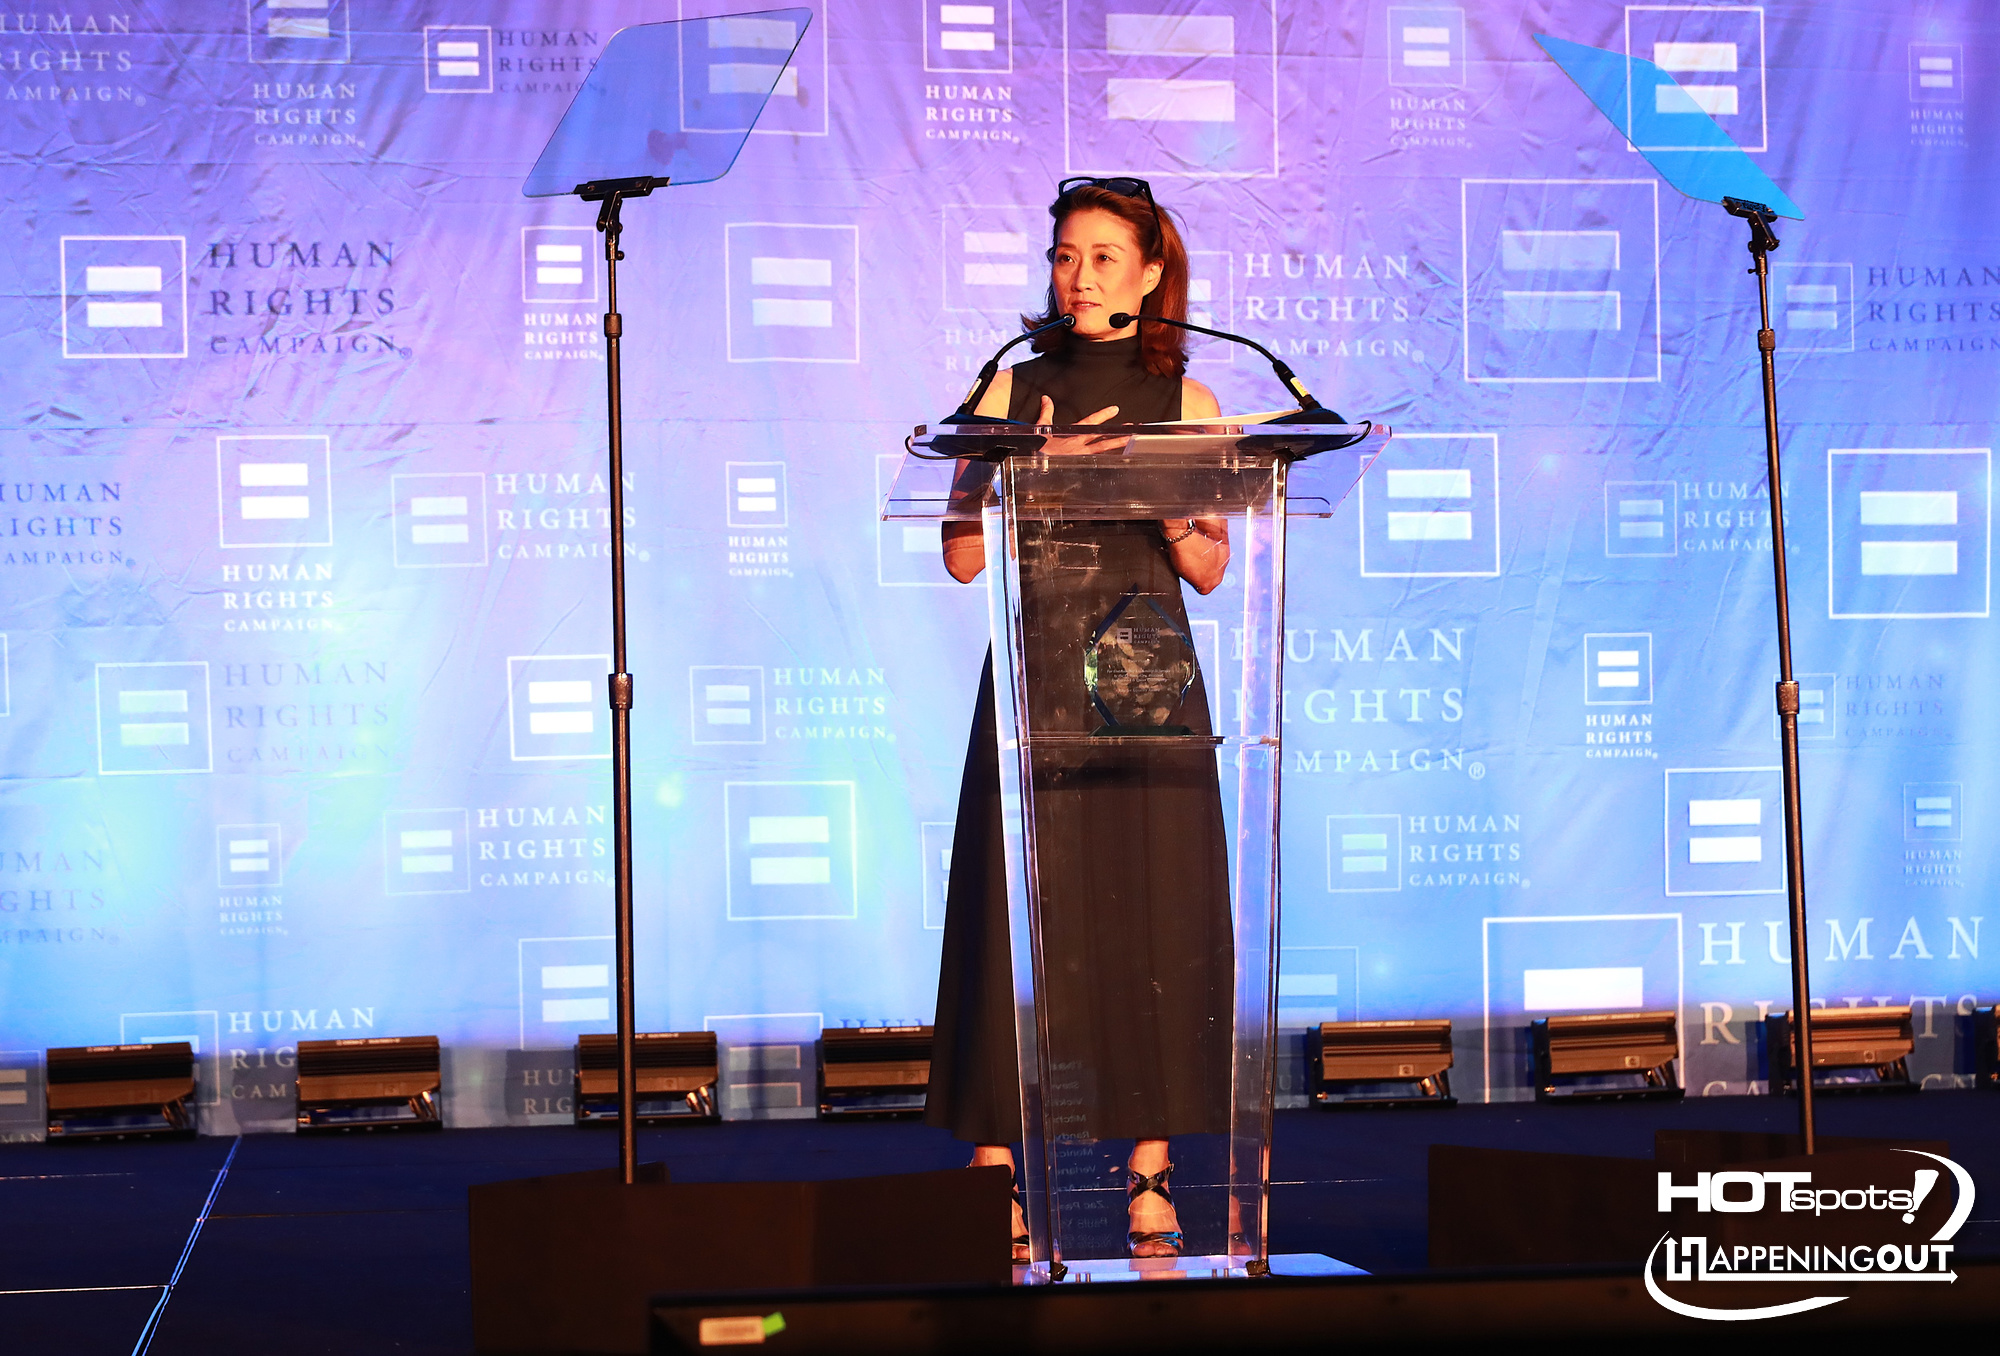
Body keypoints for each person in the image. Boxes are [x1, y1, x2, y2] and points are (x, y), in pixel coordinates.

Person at [924, 179, 1234, 1262]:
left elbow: (1205, 567)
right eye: (1065, 256)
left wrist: (1162, 501)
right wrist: (1008, 471)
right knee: (1018, 918)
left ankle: (1149, 1170)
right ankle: (995, 1169)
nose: (1080, 275)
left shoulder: (1191, 402)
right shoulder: (1009, 389)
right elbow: (961, 556)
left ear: (1151, 275)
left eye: (1104, 257)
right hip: (1038, 671)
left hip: (1145, 674)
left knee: (1152, 913)